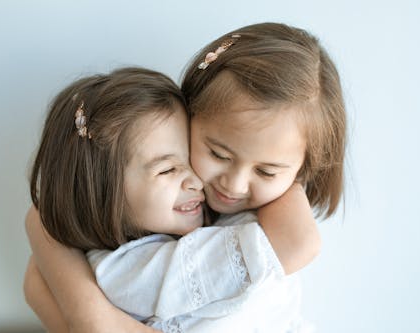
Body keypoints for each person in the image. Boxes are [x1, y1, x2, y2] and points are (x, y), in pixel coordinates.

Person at [24, 60, 323, 332]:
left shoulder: (201, 225)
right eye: (168, 170)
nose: (196, 181)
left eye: (189, 158)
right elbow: (297, 240)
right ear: (101, 191)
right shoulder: (128, 272)